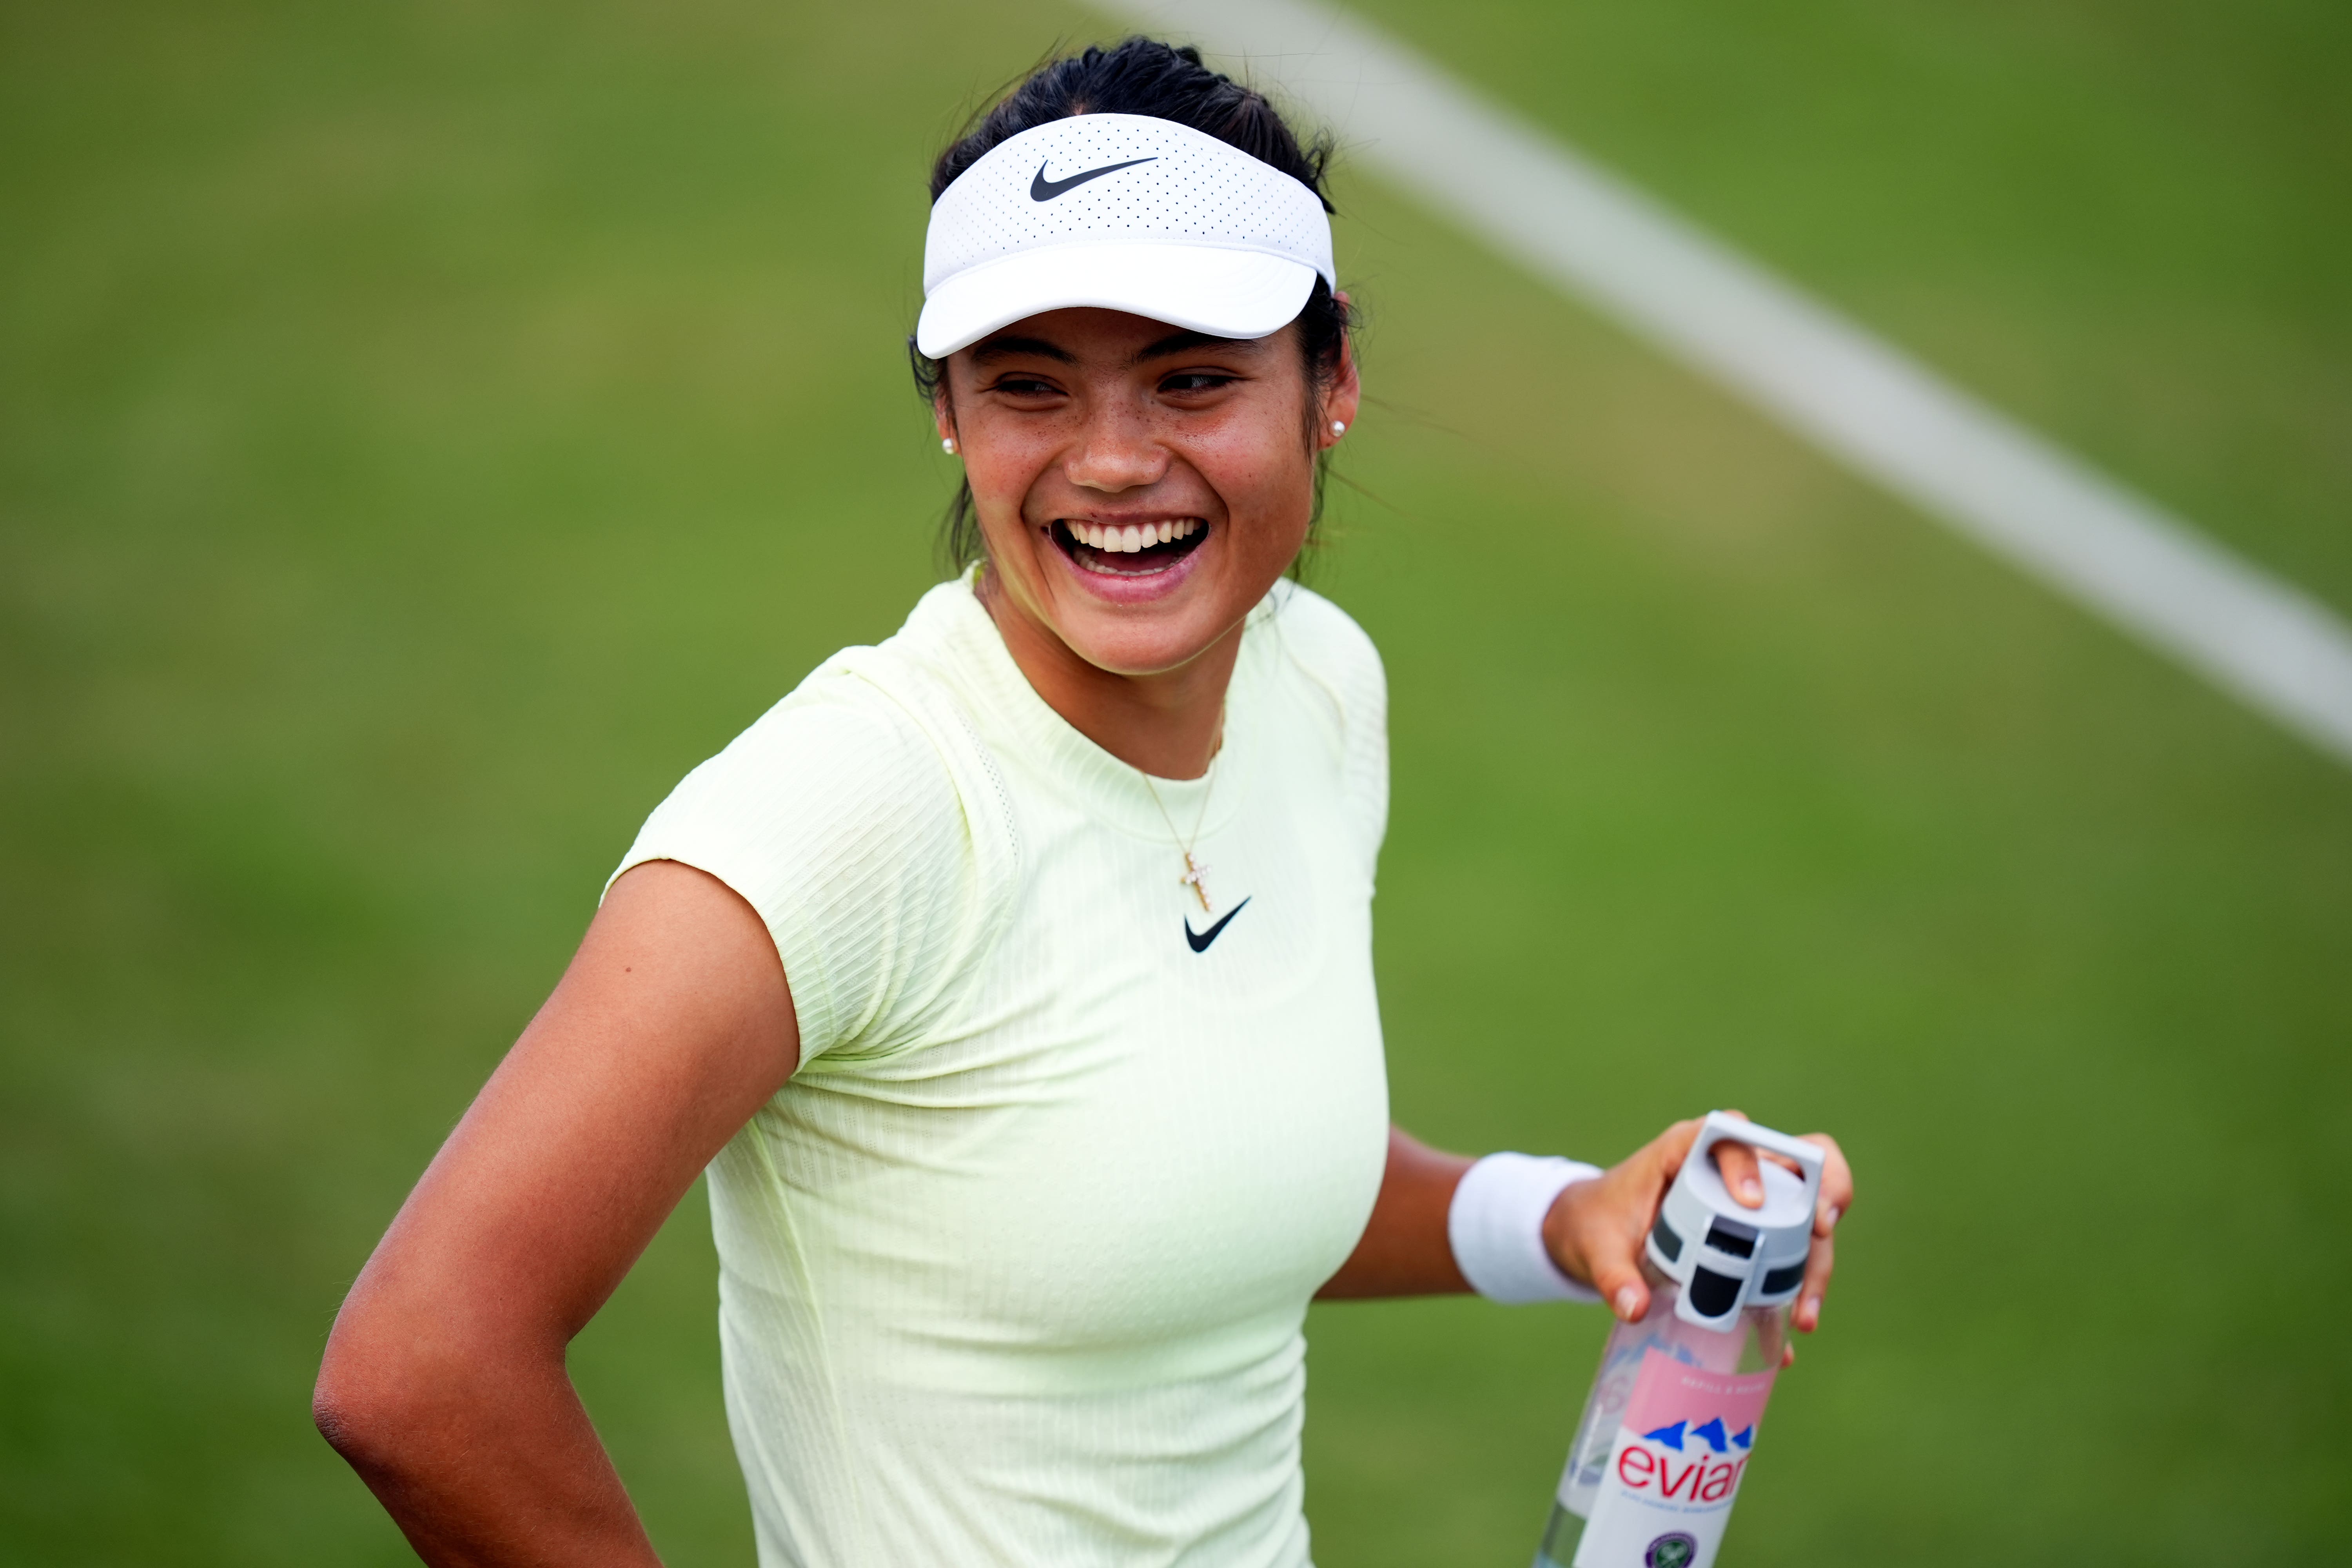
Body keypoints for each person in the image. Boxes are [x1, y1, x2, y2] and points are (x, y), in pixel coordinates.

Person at [312, 38, 1854, 1568]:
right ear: (948, 416)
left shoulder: (1315, 685)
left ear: (1333, 390)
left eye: (1193, 379)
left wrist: (1563, 1218)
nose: (1114, 462)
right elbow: (423, 1363)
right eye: (1030, 386)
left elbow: (1198, 1165)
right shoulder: (849, 808)